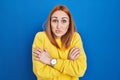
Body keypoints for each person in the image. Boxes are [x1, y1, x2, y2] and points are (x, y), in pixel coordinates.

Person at [32, 5, 87, 80]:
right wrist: (68, 62)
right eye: (55, 21)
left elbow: (80, 70)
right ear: (50, 23)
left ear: (69, 24)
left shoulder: (75, 38)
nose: (59, 26)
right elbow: (40, 72)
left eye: (64, 21)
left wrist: (51, 61)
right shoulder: (40, 37)